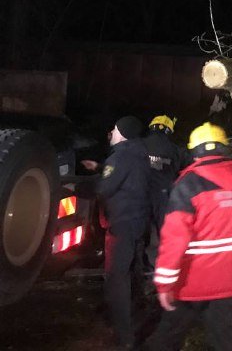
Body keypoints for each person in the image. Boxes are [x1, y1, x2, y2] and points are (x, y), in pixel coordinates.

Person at [145, 122, 232, 351]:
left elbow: (174, 239)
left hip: (191, 281)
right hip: (230, 279)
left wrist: (165, 283)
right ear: (223, 149)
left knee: (168, 337)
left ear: (194, 152)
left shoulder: (188, 185)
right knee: (225, 340)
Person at [94, 115, 151, 350]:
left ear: (123, 133)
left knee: (116, 279)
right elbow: (124, 179)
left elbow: (104, 188)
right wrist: (100, 168)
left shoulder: (120, 156)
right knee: (133, 273)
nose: (112, 133)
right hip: (137, 224)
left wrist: (77, 185)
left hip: (122, 226)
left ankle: (124, 335)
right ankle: (138, 317)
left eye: (115, 130)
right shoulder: (140, 154)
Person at [143, 114, 186, 270]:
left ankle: (142, 266)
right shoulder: (175, 150)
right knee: (165, 233)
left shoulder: (138, 145)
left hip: (141, 196)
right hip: (164, 197)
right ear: (169, 130)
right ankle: (166, 267)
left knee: (141, 233)